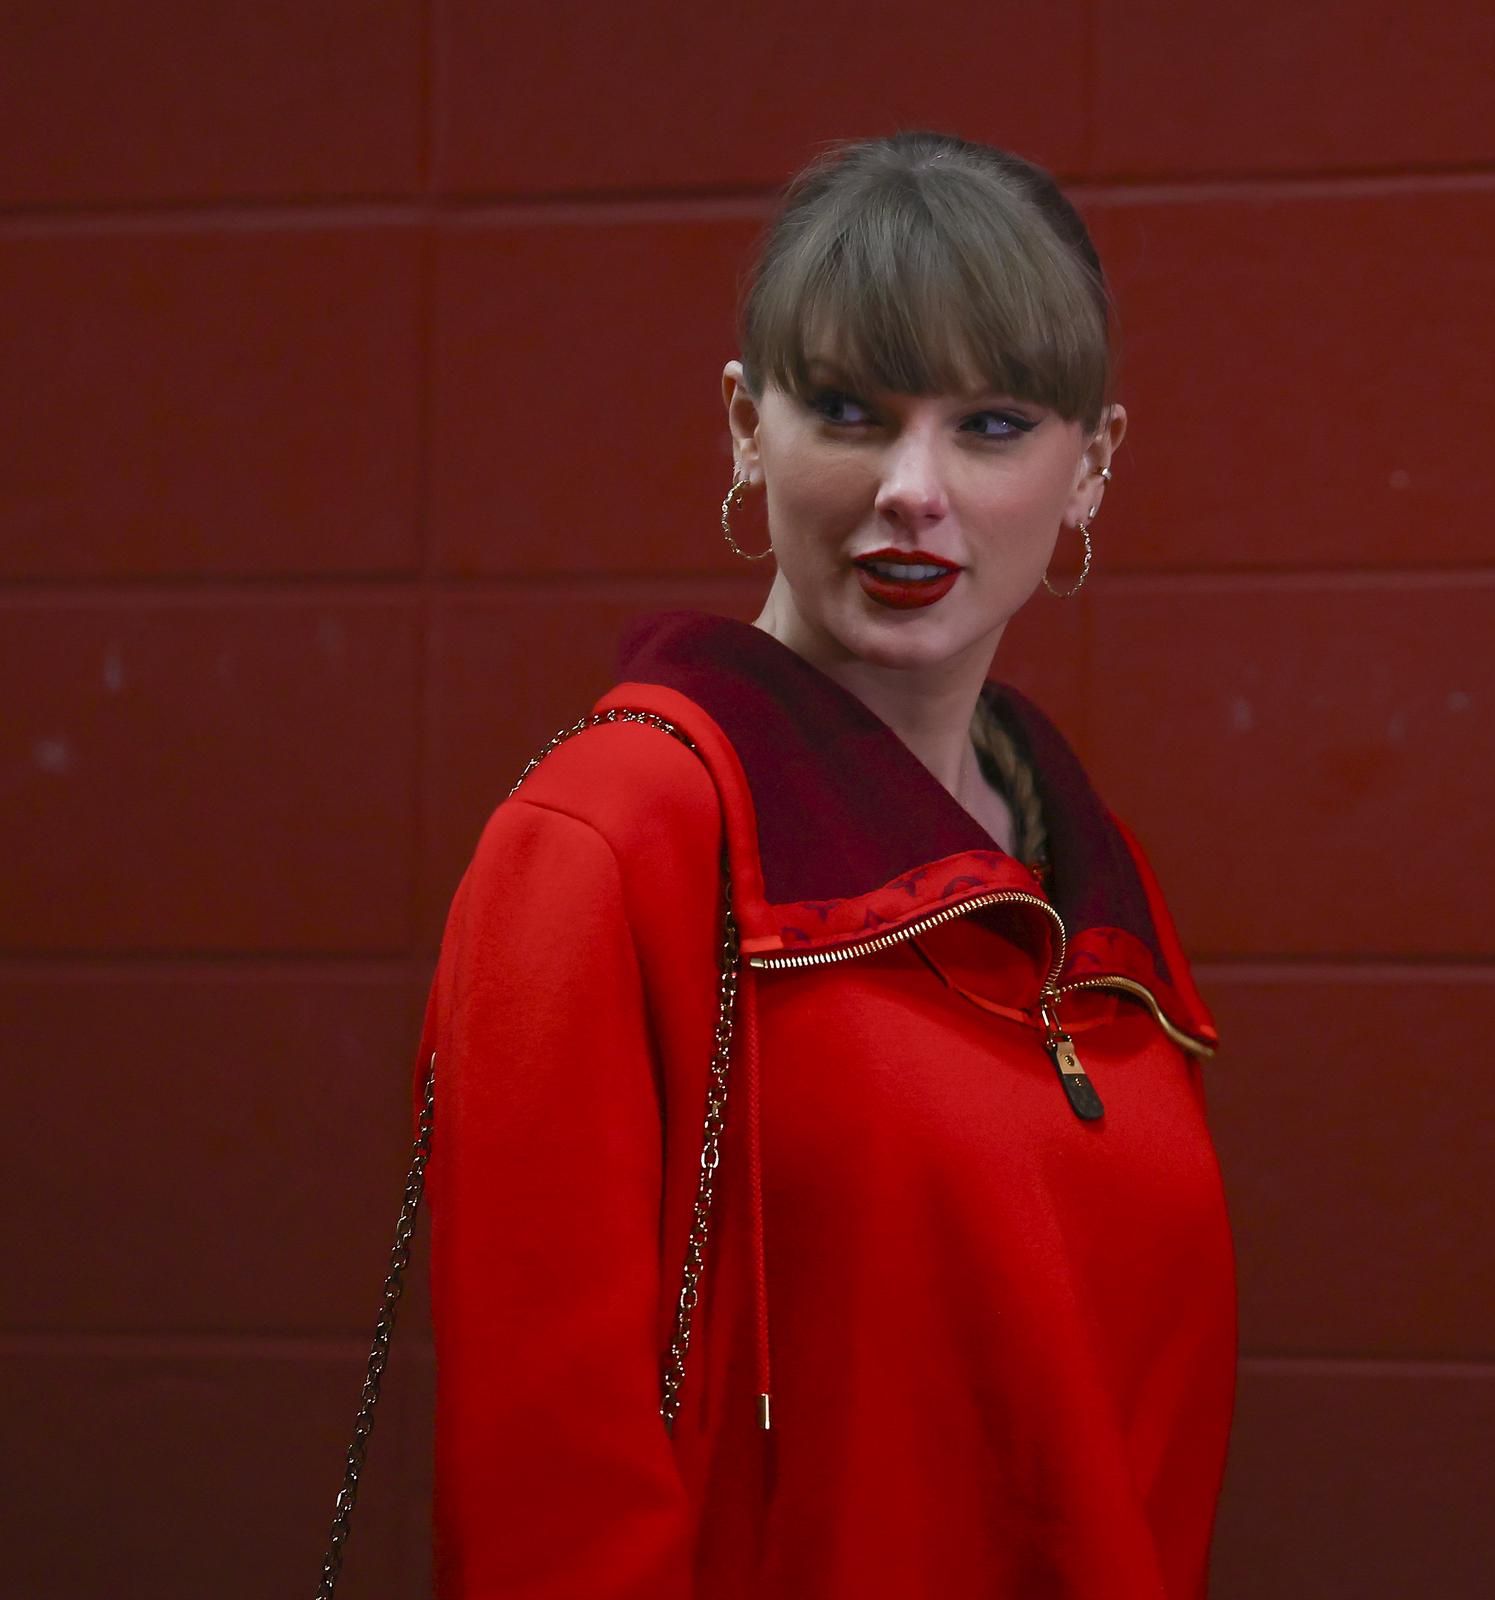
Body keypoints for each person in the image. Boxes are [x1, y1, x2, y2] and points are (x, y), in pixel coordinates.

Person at [412, 130, 1234, 1598]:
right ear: (745, 424)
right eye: (850, 412)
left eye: (991, 426)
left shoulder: (1076, 860)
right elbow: (548, 1492)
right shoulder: (612, 837)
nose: (912, 490)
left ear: (1093, 464)